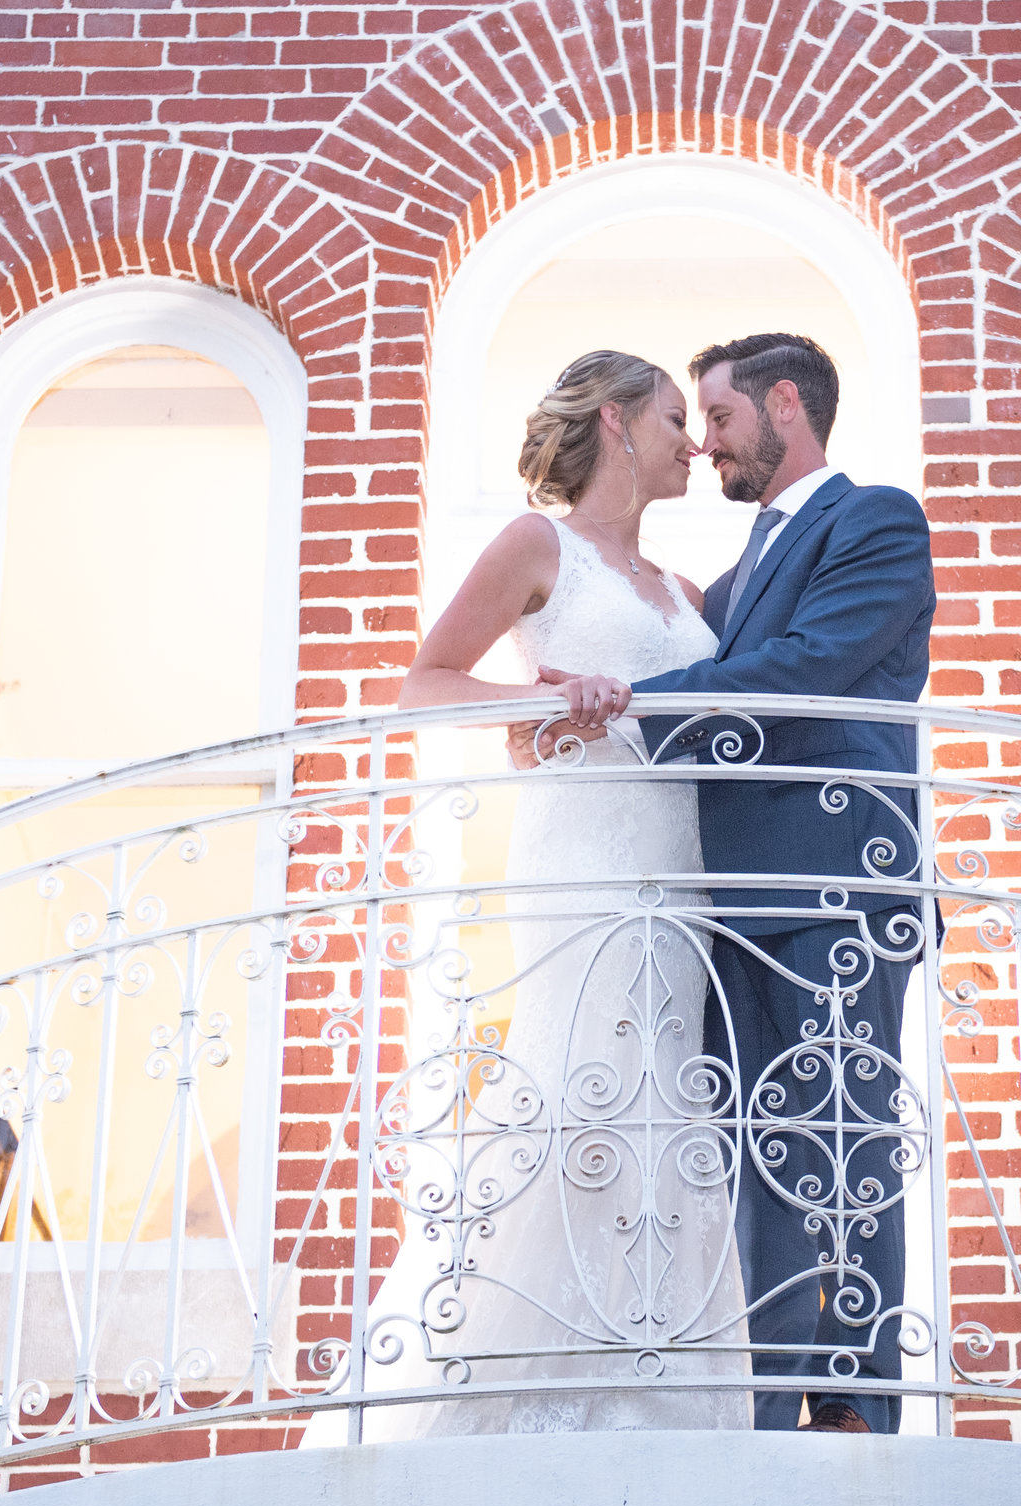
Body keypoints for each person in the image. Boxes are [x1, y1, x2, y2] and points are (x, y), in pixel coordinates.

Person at [321, 350, 751, 1441]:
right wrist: (536, 700)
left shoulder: (688, 594)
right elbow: (425, 681)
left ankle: (656, 1384)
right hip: (582, 853)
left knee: (668, 1097)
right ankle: (494, 1389)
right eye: (670, 417)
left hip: (679, 867)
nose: (691, 441)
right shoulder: (536, 546)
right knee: (580, 1086)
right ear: (613, 423)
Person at [540, 333, 937, 1435]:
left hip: (836, 887)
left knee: (845, 1125)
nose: (706, 443)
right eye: (695, 425)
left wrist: (640, 702)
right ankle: (767, 1400)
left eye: (718, 419)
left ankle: (853, 1398)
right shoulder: (730, 575)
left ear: (784, 405)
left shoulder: (875, 520)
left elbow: (809, 664)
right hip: (734, 901)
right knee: (764, 1147)